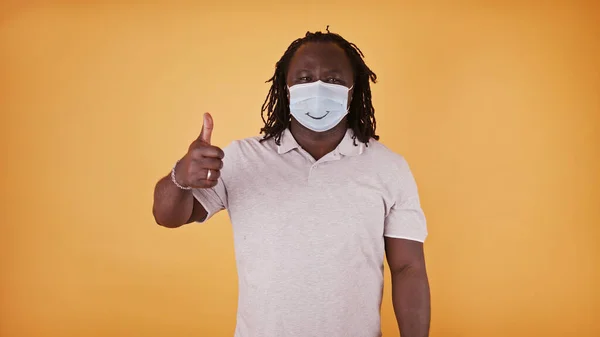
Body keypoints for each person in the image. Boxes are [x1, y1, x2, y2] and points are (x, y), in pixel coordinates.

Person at [152, 29, 430, 337]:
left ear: (354, 90)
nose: (319, 87)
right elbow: (167, 217)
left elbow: (408, 268)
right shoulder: (242, 157)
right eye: (305, 78)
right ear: (286, 89)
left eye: (334, 80)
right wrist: (181, 176)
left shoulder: (388, 167)